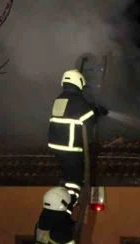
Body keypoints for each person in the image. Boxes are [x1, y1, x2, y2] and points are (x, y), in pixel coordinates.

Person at [47, 68, 108, 209]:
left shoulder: (60, 99)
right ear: (79, 82)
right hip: (71, 147)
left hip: (57, 145)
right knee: (75, 179)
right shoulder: (79, 102)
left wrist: (91, 108)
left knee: (67, 174)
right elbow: (88, 121)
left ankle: (64, 193)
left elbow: (74, 112)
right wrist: (97, 111)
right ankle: (69, 204)